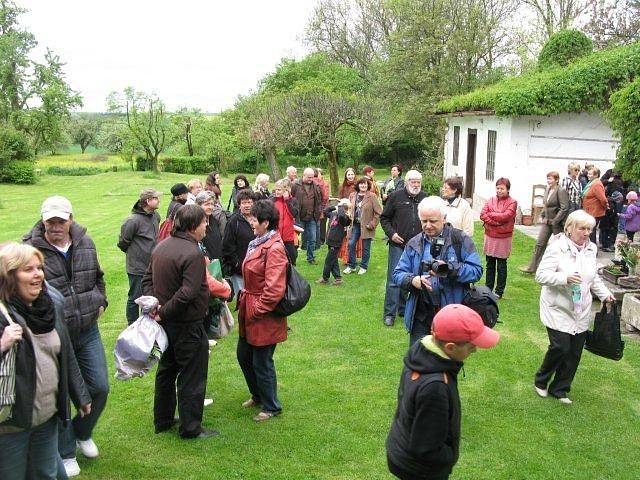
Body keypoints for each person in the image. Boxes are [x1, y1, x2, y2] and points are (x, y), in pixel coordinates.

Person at [22, 196, 109, 477]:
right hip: (53, 335)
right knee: (59, 395)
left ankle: (82, 432)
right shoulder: (30, 249)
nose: (56, 226)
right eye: (51, 221)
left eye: (61, 220)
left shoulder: (85, 242)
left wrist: (101, 301)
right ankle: (66, 450)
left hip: (87, 330)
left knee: (99, 387)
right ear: (43, 221)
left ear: (71, 218)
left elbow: (98, 276)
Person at [0, 243, 92, 480]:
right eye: (27, 269)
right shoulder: (3, 315)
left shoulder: (49, 305)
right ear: (9, 276)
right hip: (10, 425)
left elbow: (65, 352)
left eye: (39, 267)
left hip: (46, 418)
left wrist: (79, 394)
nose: (38, 274)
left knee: (45, 474)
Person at [386, 304, 500, 480]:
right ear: (450, 348)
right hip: (419, 470)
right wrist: (449, 456)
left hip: (400, 447)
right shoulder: (435, 387)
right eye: (471, 347)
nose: (475, 349)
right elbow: (426, 448)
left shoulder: (421, 353)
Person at [141, 205, 217, 439]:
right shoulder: (192, 253)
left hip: (166, 324)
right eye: (205, 222)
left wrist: (156, 307)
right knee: (192, 376)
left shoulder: (161, 246)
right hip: (186, 323)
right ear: (194, 226)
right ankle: (191, 428)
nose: (207, 226)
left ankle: (162, 420)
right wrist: (162, 311)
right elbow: (188, 292)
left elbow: (147, 280)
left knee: (167, 370)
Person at [534, 210, 614, 405]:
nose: (586, 233)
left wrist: (604, 294)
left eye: (589, 229)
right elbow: (541, 276)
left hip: (581, 308)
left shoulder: (591, 249)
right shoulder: (557, 247)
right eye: (582, 228)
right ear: (569, 228)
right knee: (560, 346)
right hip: (557, 307)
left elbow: (592, 277)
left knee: (574, 352)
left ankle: (560, 389)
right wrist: (564, 279)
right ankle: (541, 380)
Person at [393, 196, 483, 346]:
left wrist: (449, 270)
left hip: (451, 313)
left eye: (433, 221)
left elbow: (476, 270)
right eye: (424, 221)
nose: (428, 225)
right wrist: (412, 280)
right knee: (419, 361)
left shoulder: (459, 239)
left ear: (444, 218)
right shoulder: (414, 242)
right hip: (420, 313)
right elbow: (397, 274)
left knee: (447, 363)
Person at [237, 200, 288, 422]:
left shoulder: (274, 248)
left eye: (254, 220)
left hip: (263, 314)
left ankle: (271, 406)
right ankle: (258, 395)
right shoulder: (258, 242)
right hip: (250, 307)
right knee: (244, 355)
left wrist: (257, 310)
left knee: (262, 361)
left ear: (266, 223)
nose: (251, 223)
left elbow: (275, 289)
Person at [380, 170, 427, 327]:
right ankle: (389, 313)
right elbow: (384, 218)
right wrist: (391, 234)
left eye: (418, 182)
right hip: (398, 245)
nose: (416, 184)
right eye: (413, 181)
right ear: (406, 182)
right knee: (394, 279)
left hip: (418, 246)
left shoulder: (425, 199)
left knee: (413, 277)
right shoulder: (396, 197)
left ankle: (404, 308)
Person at [117, 188, 161, 325]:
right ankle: (132, 325)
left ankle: (146, 324)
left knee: (150, 297)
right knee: (135, 297)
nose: (159, 200)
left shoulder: (156, 216)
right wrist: (135, 255)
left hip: (152, 265)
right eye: (156, 198)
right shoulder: (132, 221)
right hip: (137, 267)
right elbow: (123, 242)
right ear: (147, 201)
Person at [520, 172, 569, 274]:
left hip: (557, 224)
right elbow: (546, 205)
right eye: (548, 178)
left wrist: (555, 221)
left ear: (557, 180)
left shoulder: (561, 191)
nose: (548, 181)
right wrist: (542, 215)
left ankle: (559, 269)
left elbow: (564, 208)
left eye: (550, 179)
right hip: (547, 222)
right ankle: (532, 267)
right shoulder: (548, 189)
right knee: (539, 244)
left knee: (559, 247)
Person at [480, 178, 518, 299]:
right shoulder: (490, 200)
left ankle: (499, 291)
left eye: (502, 188)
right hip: (490, 235)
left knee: (501, 265)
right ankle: (488, 288)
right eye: (498, 188)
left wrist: (491, 215)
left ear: (508, 189)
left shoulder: (512, 202)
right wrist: (496, 221)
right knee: (489, 263)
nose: (499, 190)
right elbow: (482, 214)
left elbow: (506, 216)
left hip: (503, 237)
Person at [344, 177, 382, 276]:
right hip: (355, 225)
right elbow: (349, 209)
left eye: (365, 184)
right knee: (351, 244)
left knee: (366, 247)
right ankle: (351, 265)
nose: (363, 185)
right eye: (361, 184)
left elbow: (378, 212)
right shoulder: (352, 195)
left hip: (367, 226)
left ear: (368, 185)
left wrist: (372, 224)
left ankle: (363, 266)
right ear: (358, 185)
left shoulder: (372, 196)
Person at [222, 189, 256, 296]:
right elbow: (227, 245)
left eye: (249, 202)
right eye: (244, 203)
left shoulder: (260, 218)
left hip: (258, 266)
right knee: (242, 299)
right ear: (239, 205)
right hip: (240, 270)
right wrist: (237, 264)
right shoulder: (233, 221)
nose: (247, 205)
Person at [316, 199, 351, 286]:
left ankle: (325, 278)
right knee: (333, 260)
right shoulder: (334, 214)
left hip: (336, 243)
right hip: (330, 241)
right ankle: (338, 278)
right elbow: (325, 211)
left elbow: (342, 216)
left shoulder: (345, 218)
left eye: (342, 206)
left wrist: (340, 207)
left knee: (328, 261)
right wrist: (334, 206)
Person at [293, 168, 323, 265]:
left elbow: (320, 199)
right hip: (298, 217)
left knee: (313, 238)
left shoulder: (316, 186)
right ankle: (293, 257)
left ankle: (310, 257)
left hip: (312, 217)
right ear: (303, 175)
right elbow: (290, 198)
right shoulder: (295, 185)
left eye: (312, 177)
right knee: (294, 239)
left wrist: (319, 211)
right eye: (309, 177)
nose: (311, 179)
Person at [271, 179, 300, 265]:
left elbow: (294, 214)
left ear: (287, 190)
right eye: (276, 189)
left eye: (279, 189)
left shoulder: (293, 201)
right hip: (275, 236)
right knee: (277, 260)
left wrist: (287, 200)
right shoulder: (272, 201)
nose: (277, 191)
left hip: (289, 236)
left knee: (291, 259)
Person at [581, 166, 608, 245]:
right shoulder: (591, 183)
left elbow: (603, 199)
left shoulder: (597, 184)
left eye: (590, 174)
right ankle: (589, 247)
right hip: (590, 211)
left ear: (596, 175)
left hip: (594, 212)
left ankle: (592, 249)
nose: (588, 175)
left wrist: (606, 207)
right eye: (588, 174)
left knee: (591, 231)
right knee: (590, 231)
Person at [195, 191, 224, 261]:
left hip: (218, 263)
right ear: (198, 205)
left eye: (212, 204)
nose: (210, 207)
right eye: (207, 204)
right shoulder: (195, 224)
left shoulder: (214, 220)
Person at [314, 168, 330, 247]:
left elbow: (325, 196)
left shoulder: (325, 183)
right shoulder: (313, 183)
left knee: (322, 223)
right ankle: (317, 239)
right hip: (316, 207)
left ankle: (321, 239)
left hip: (323, 206)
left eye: (318, 174)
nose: (317, 176)